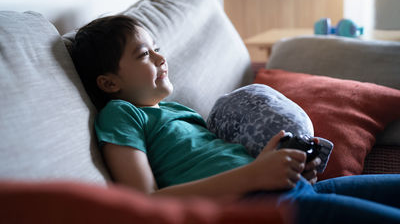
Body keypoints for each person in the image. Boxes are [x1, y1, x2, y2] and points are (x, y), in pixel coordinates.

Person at [71, 15, 400, 224]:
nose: (161, 57)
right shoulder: (121, 114)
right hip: (257, 206)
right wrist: (255, 175)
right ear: (109, 83)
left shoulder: (177, 110)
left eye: (156, 47)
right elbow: (144, 204)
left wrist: (281, 165)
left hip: (289, 189)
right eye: (144, 54)